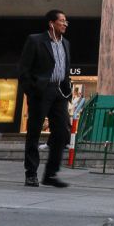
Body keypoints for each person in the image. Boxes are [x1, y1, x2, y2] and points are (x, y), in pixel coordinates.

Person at [18, 10, 72, 188]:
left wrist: (68, 90)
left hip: (59, 93)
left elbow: (65, 70)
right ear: (51, 23)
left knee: (63, 133)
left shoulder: (66, 43)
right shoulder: (35, 40)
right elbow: (24, 70)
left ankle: (50, 174)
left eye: (66, 21)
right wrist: (31, 92)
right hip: (41, 92)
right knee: (34, 133)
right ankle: (31, 173)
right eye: (62, 21)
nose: (65, 24)